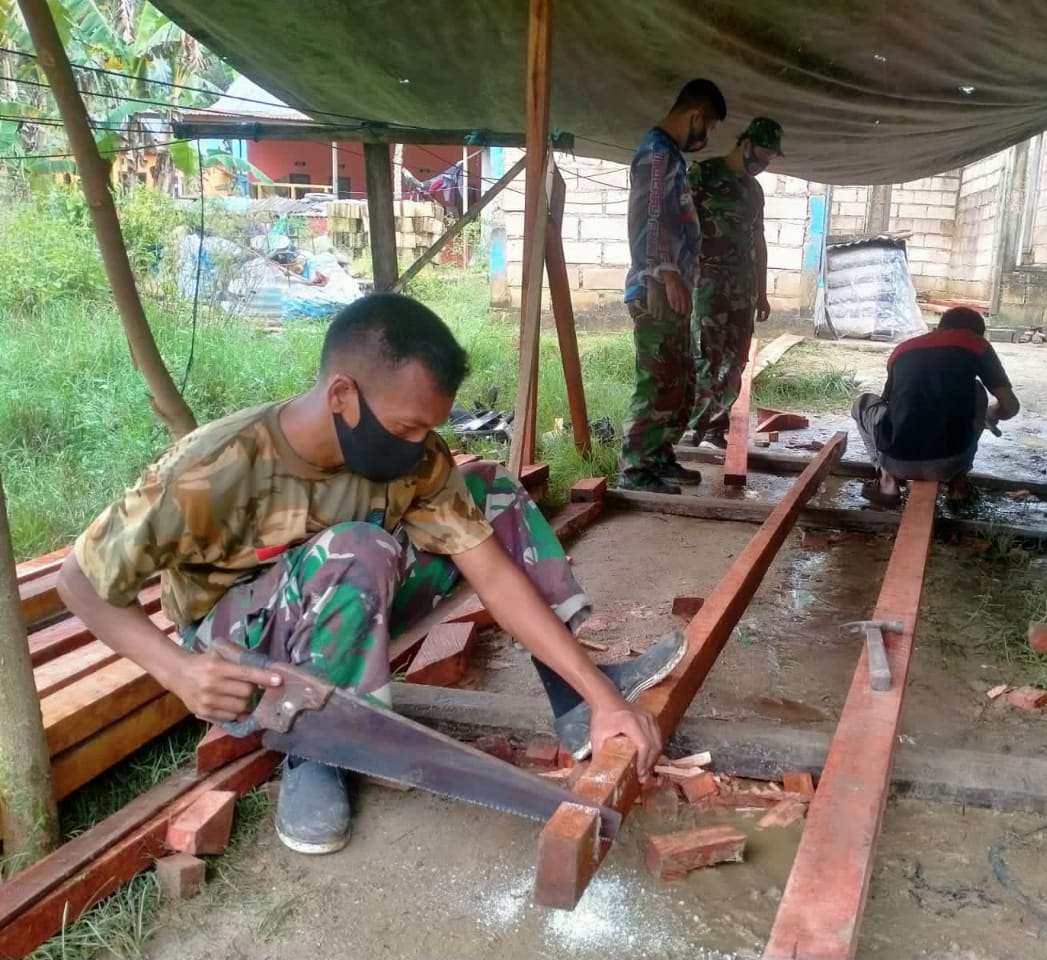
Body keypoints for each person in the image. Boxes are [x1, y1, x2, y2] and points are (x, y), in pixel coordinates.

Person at [57, 293, 679, 856]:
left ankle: (573, 701)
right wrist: (180, 670)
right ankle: (315, 751)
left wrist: (602, 698)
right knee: (359, 549)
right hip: (238, 652)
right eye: (408, 426)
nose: (422, 444)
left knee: (487, 491)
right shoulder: (211, 469)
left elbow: (489, 570)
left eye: (431, 428)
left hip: (340, 594)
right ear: (342, 395)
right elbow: (77, 581)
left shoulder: (414, 459)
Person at [618, 78, 728, 495]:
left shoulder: (670, 157)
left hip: (671, 286)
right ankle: (635, 467)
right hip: (656, 288)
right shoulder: (656, 154)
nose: (707, 137)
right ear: (696, 116)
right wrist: (665, 273)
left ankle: (659, 455)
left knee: (678, 381)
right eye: (710, 127)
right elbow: (648, 217)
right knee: (658, 378)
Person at [684, 117, 784, 449]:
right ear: (746, 144)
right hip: (707, 280)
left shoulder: (754, 192)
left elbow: (759, 240)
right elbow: (679, 224)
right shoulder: (703, 175)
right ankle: (692, 429)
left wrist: (762, 291)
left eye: (770, 158)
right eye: (763, 154)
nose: (765, 163)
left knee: (737, 358)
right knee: (706, 354)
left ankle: (716, 427)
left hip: (743, 286)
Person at [852, 306, 1020, 503]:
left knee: (863, 402)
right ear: (978, 334)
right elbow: (1011, 407)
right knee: (976, 391)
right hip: (950, 464)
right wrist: (991, 414)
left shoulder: (902, 349)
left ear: (938, 328)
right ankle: (959, 481)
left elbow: (890, 406)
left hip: (896, 460)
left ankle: (887, 480)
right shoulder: (977, 344)